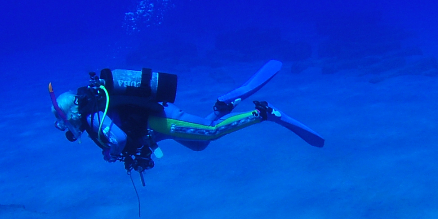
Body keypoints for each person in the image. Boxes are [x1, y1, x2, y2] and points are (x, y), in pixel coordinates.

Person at [48, 60, 323, 177]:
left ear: (69, 115)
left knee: (209, 134)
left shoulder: (92, 116)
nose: (69, 131)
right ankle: (222, 106)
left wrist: (111, 151)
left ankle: (263, 113)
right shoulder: (94, 111)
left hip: (161, 121)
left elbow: (119, 137)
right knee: (200, 143)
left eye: (64, 125)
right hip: (155, 128)